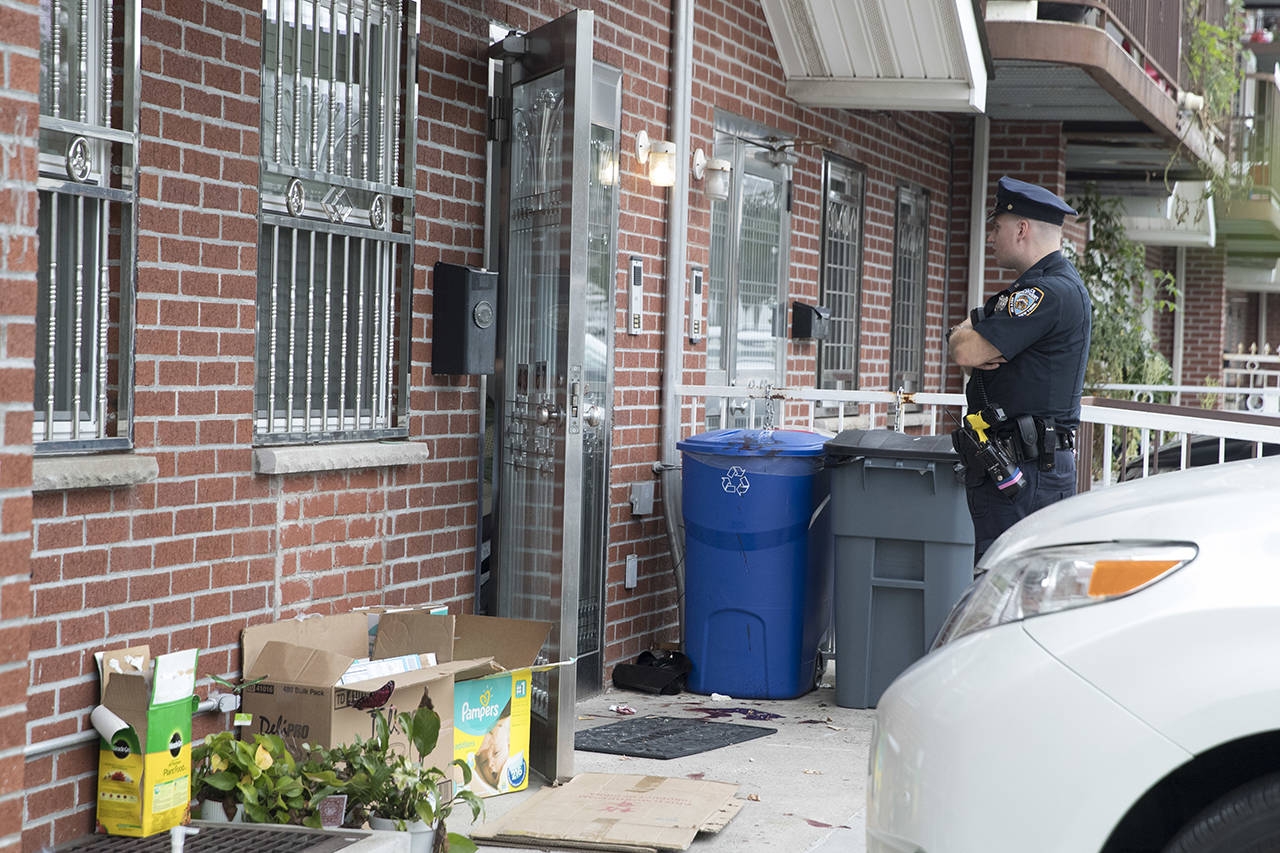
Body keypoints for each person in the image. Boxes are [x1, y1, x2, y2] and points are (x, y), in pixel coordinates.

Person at [947, 176, 1092, 564]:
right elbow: (966, 352)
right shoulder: (1037, 288)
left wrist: (966, 332)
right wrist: (967, 337)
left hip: (1028, 474)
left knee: (1017, 592)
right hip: (1016, 471)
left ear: (1022, 229)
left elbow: (966, 350)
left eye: (997, 227)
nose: (992, 235)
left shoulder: (1046, 294)